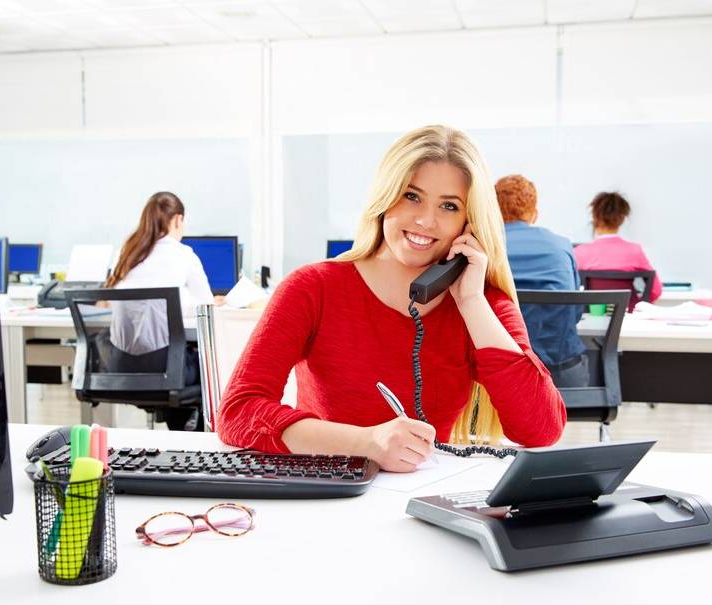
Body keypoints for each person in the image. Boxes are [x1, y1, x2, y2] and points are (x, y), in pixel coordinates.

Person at [216, 126, 566, 472]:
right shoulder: (313, 287)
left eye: (449, 206)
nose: (426, 220)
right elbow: (237, 412)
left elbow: (541, 430)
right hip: (326, 494)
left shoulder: (481, 302)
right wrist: (367, 443)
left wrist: (472, 301)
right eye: (411, 196)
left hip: (427, 505)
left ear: (469, 223)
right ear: (385, 198)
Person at [103, 191, 215, 430]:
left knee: (176, 354)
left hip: (121, 369)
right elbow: (207, 307)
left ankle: (179, 427)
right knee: (209, 363)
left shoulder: (127, 254)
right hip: (167, 371)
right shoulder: (183, 254)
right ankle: (194, 436)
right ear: (177, 220)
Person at [496, 174, 588, 388]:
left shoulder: (484, 247)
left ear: (493, 211)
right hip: (561, 374)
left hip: (502, 375)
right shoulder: (562, 246)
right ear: (534, 214)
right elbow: (574, 312)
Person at [574, 192, 663, 305]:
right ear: (621, 219)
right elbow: (656, 290)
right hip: (628, 316)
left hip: (592, 315)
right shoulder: (634, 251)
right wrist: (637, 306)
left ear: (595, 217)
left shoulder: (580, 252)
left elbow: (570, 290)